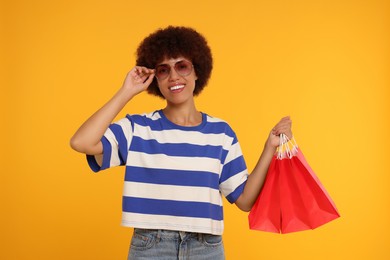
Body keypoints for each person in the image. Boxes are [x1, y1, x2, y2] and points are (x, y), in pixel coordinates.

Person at [70, 26, 292, 260]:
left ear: (198, 71)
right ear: (155, 78)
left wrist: (270, 147)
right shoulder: (138, 129)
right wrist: (127, 91)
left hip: (206, 247)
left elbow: (245, 200)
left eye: (182, 66)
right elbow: (81, 142)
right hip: (151, 246)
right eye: (163, 70)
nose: (174, 76)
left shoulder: (221, 133)